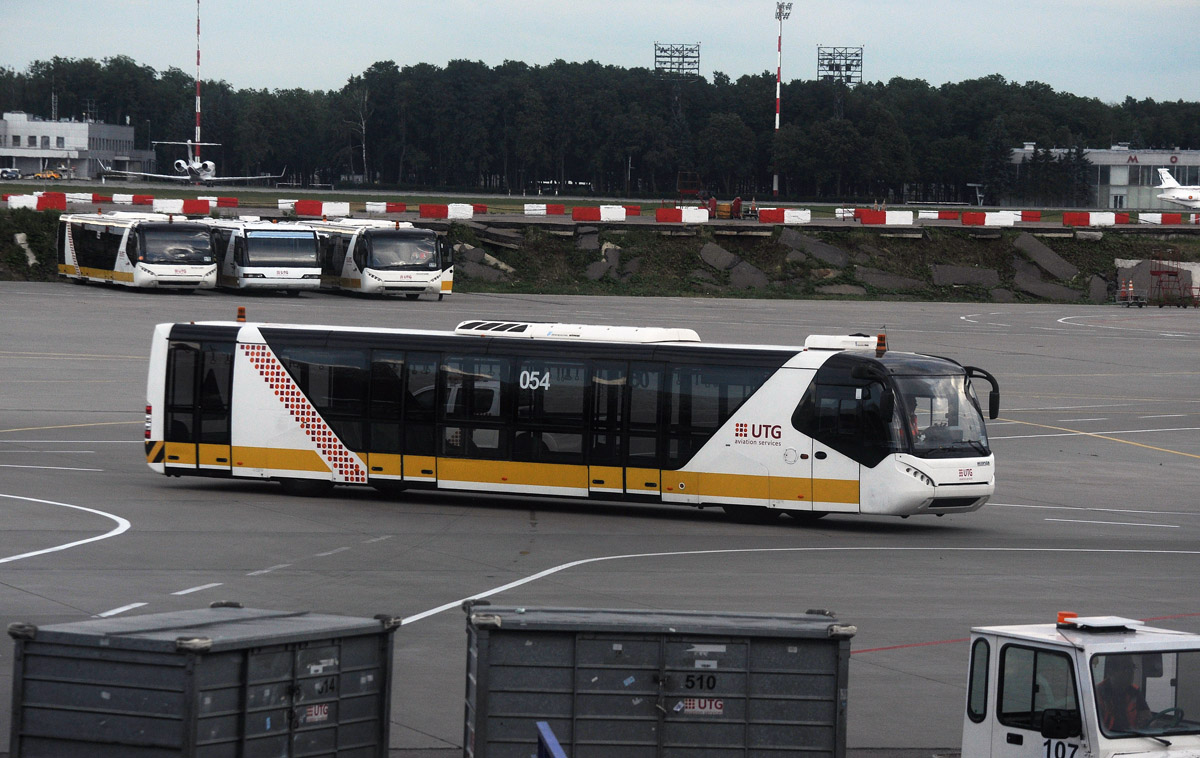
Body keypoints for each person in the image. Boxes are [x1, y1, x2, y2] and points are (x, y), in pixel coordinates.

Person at [1095, 655, 1150, 732]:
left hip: (1131, 737)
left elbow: (1146, 714)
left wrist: (1145, 721)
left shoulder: (1135, 691)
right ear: (1111, 671)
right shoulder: (1098, 693)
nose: (1131, 673)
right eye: (1127, 669)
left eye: (1132, 668)